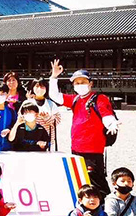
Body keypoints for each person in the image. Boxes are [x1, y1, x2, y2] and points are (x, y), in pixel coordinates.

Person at [49, 60, 120, 197]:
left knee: (96, 181)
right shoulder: (75, 100)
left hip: (93, 149)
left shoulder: (99, 98)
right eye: (77, 83)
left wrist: (111, 123)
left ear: (90, 83)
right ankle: (85, 205)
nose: (80, 85)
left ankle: (107, 205)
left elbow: (106, 113)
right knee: (80, 179)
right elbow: (55, 96)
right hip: (76, 148)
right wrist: (53, 77)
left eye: (83, 82)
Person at [27, 78, 61, 151]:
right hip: (29, 139)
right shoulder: (27, 103)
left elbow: (57, 120)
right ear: (32, 88)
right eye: (37, 86)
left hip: (46, 140)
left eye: (42, 86)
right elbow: (21, 118)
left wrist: (47, 118)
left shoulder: (51, 104)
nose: (39, 89)